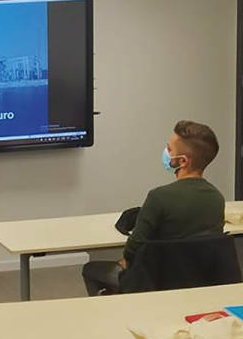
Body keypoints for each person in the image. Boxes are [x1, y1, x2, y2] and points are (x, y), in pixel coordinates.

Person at [82, 120, 225, 296]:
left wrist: (124, 262)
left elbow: (133, 249)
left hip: (155, 281)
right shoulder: (217, 198)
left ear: (182, 161)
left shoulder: (159, 197)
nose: (166, 153)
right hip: (201, 282)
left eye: (169, 149)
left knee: (91, 269)